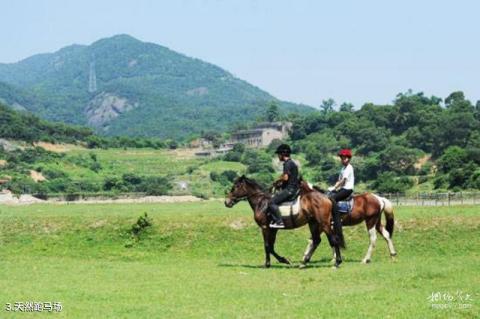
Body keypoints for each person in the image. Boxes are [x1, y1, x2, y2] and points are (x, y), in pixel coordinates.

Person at [268, 144, 299, 228]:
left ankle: (279, 221)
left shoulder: (287, 164)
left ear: (282, 154)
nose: (278, 156)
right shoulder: (292, 163)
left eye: (278, 154)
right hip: (293, 188)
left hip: (289, 190)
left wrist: (276, 181)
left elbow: (285, 178)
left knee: (271, 202)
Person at [328, 149, 354, 235]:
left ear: (348, 159)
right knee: (329, 195)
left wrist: (335, 187)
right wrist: (334, 187)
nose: (343, 160)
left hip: (347, 189)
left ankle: (337, 218)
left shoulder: (349, 168)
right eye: (342, 158)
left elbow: (343, 180)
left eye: (344, 158)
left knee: (333, 199)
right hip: (342, 188)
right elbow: (339, 179)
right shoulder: (343, 168)